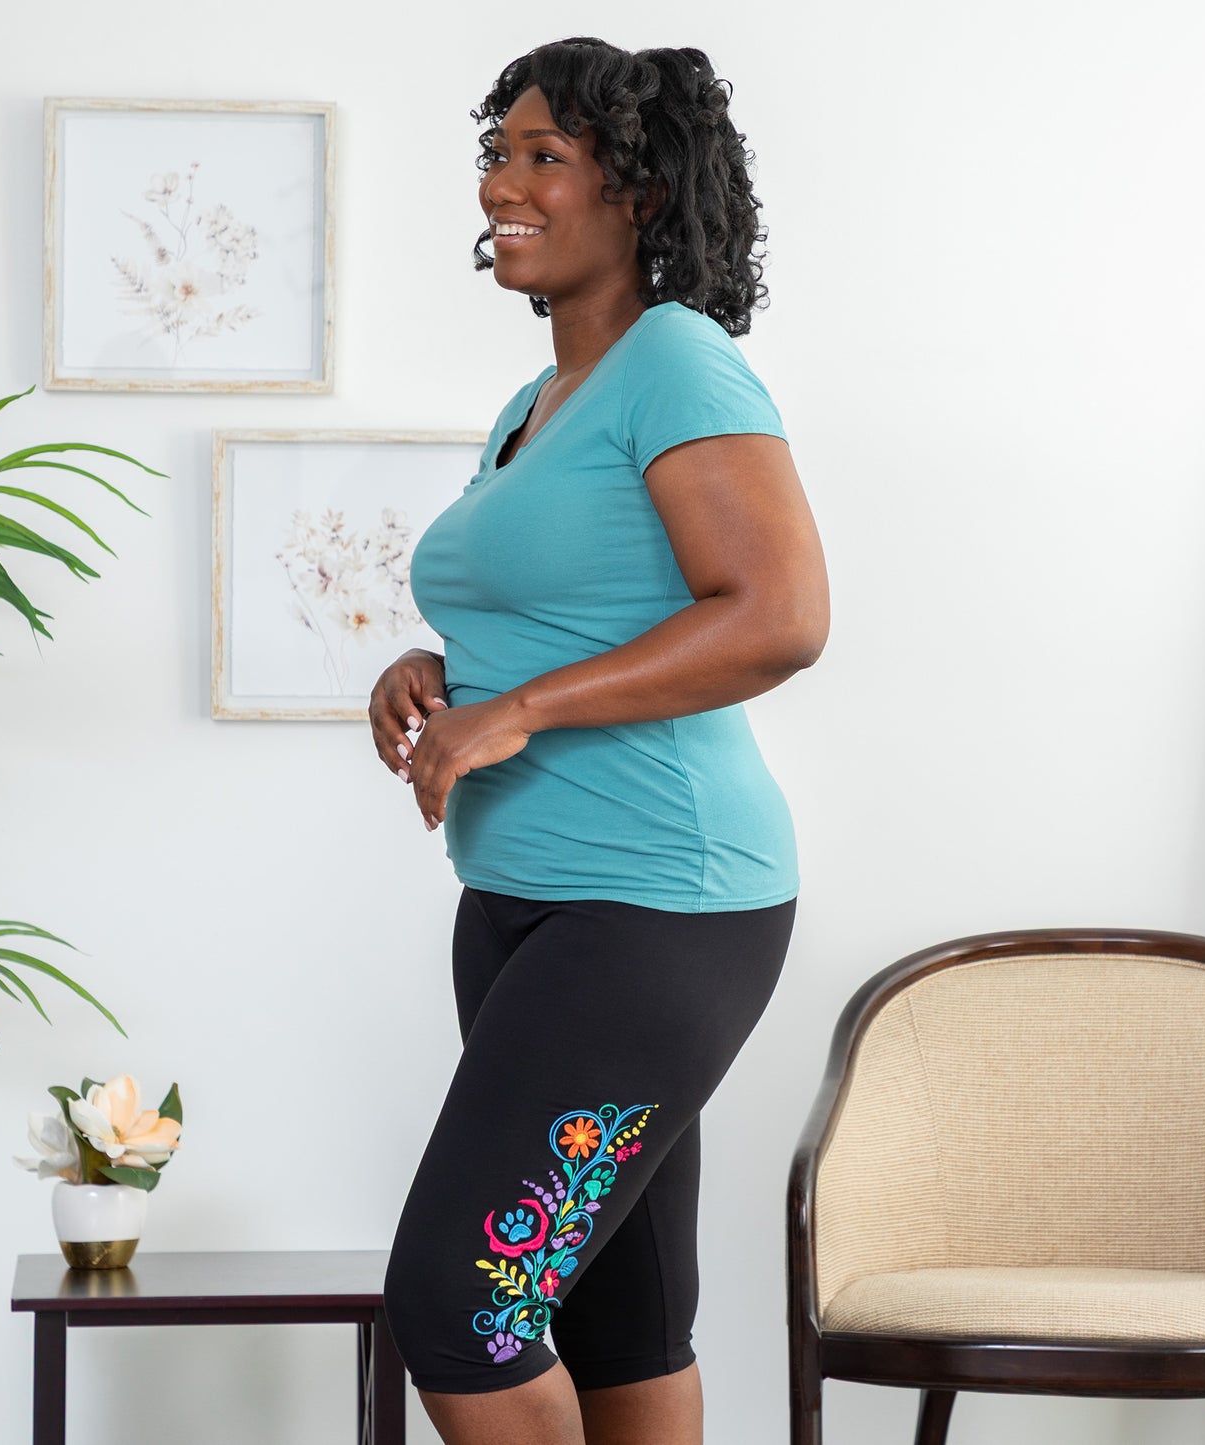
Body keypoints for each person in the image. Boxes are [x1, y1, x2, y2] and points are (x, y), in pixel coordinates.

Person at [374, 36, 829, 1445]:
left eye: (543, 157)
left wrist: (516, 709)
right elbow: (574, 610)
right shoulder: (537, 406)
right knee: (612, 1318)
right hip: (525, 908)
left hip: (653, 908)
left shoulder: (678, 367)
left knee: (464, 1302)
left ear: (636, 192)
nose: (502, 184)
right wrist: (444, 668)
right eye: (495, 155)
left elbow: (776, 615)